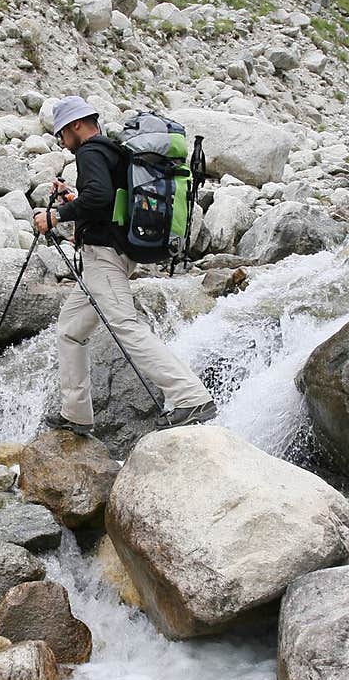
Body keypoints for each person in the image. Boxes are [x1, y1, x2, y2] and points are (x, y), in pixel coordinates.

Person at [32, 95, 217, 437]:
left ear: (76, 126)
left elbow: (100, 197)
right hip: (110, 256)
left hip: (104, 257)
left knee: (125, 326)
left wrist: (55, 215)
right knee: (70, 329)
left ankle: (190, 396)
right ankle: (77, 413)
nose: (61, 141)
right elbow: (110, 202)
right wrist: (75, 198)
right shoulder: (113, 151)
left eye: (61, 134)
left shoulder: (89, 151)